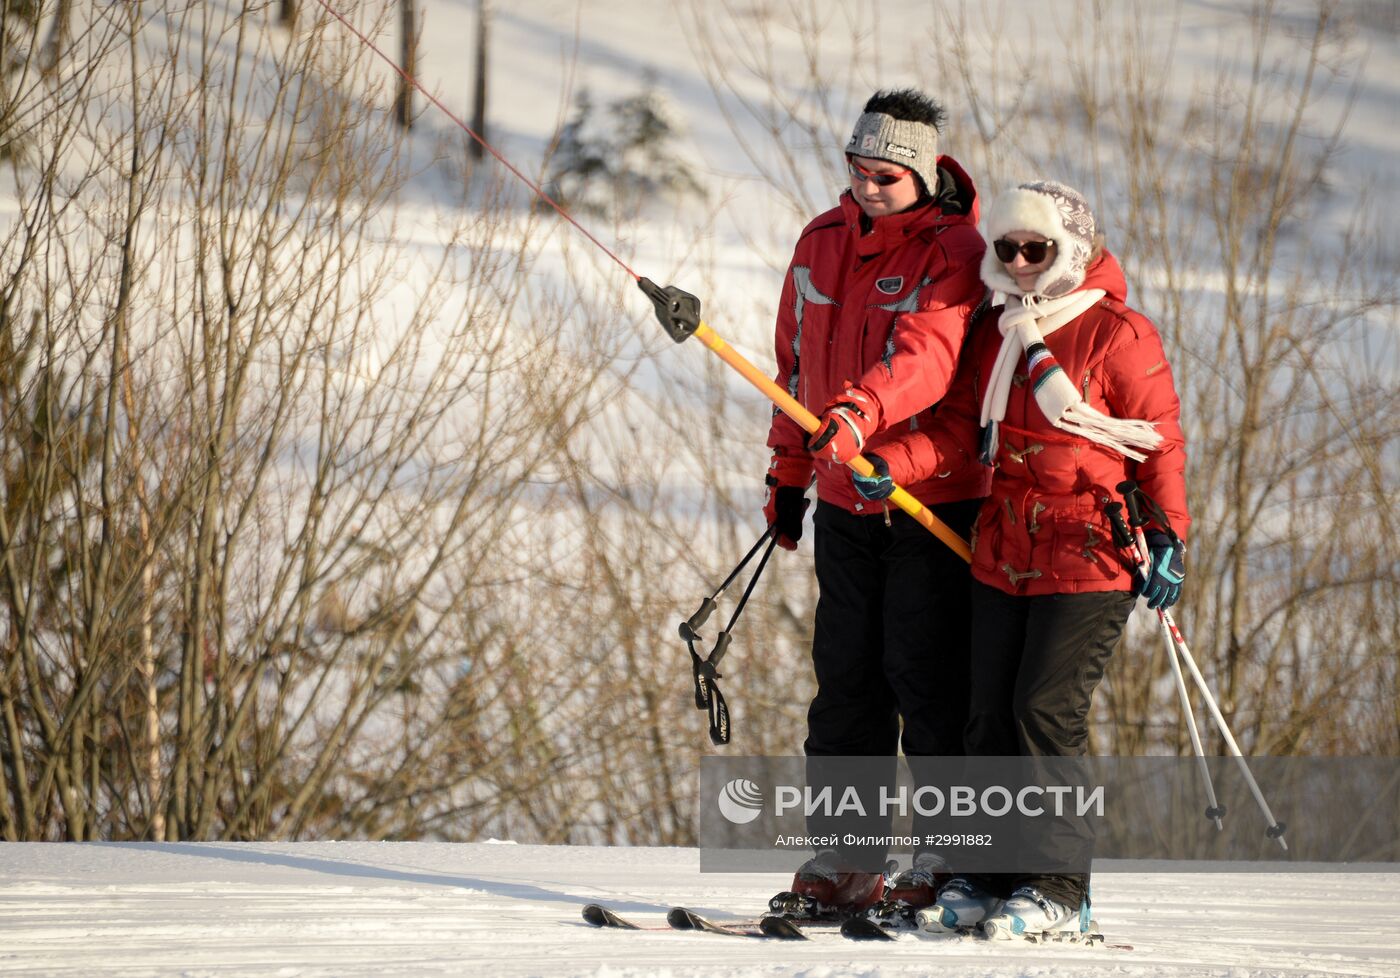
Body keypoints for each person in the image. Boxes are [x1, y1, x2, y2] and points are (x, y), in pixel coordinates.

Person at [852, 180, 1189, 936]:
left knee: (1044, 712)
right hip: (1003, 548)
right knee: (986, 718)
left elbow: (1159, 441)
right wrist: (893, 463)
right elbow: (956, 431)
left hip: (1090, 551)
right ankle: (986, 874)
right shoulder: (996, 332)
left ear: (1070, 248)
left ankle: (1059, 890)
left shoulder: (1119, 334)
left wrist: (1169, 533)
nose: (1021, 262)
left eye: (1037, 248)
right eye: (1008, 249)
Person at [761, 88, 990, 916]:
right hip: (843, 506)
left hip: (927, 501)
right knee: (847, 686)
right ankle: (845, 858)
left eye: (885, 177)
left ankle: (941, 860)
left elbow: (927, 357)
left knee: (924, 682)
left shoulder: (953, 248)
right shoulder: (819, 241)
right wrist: (788, 475)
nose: (865, 188)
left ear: (922, 174)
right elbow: (791, 371)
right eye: (856, 171)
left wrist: (861, 414)